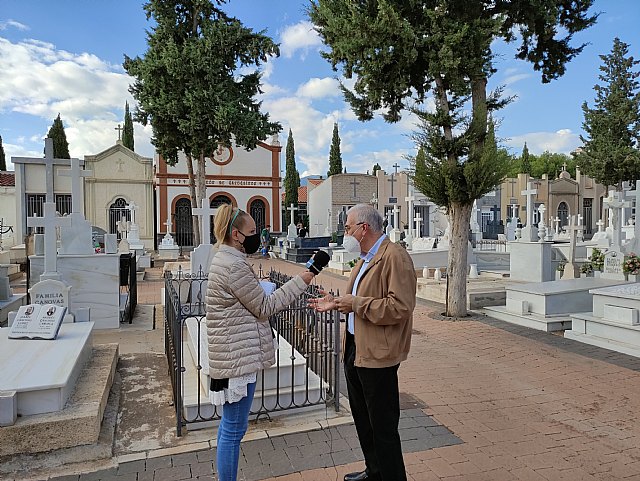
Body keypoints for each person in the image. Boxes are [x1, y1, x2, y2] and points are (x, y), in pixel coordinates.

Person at [206, 204, 316, 481]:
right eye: (252, 232)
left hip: (236, 351)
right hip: (237, 357)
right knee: (233, 429)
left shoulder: (226, 260)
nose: (257, 236)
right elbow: (265, 307)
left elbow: (247, 302)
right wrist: (302, 280)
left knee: (232, 426)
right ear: (236, 234)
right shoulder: (234, 266)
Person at [309, 204, 416, 481]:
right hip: (356, 348)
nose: (345, 233)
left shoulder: (394, 257)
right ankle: (375, 471)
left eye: (347, 228)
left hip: (379, 353)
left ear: (364, 228)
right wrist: (335, 303)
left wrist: (355, 303)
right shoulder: (365, 258)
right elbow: (357, 302)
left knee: (383, 426)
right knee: (364, 419)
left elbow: (400, 307)